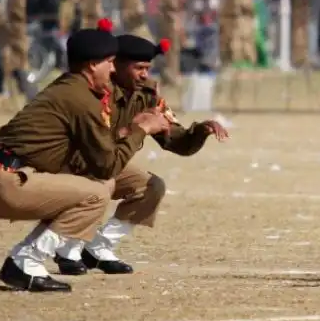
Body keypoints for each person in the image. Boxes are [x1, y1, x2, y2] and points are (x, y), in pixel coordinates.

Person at [0, 20, 171, 292]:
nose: (113, 69)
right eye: (109, 62)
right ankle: (26, 260)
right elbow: (107, 165)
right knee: (96, 192)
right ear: (92, 65)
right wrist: (141, 128)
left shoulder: (75, 89)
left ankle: (65, 251)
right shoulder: (80, 99)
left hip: (3, 175)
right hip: (5, 182)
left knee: (100, 185)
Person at [54, 33, 230, 275]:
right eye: (138, 68)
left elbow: (176, 141)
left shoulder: (147, 95)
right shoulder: (93, 91)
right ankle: (67, 248)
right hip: (69, 164)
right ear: (115, 64)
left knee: (150, 187)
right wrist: (133, 129)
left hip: (106, 162)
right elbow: (89, 142)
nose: (145, 74)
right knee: (101, 182)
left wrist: (200, 131)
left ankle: (98, 248)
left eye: (147, 68)